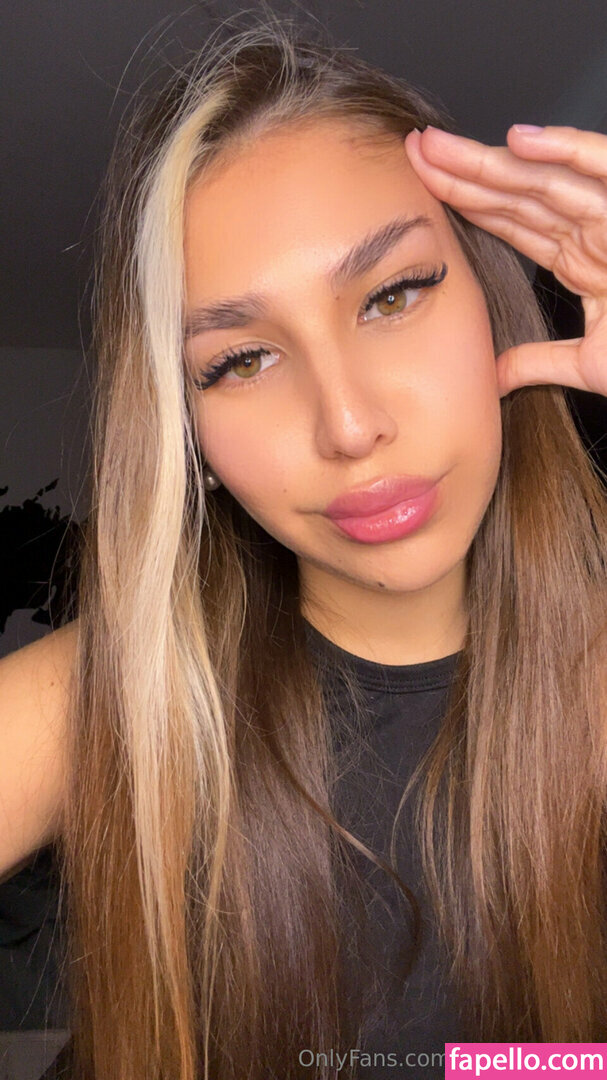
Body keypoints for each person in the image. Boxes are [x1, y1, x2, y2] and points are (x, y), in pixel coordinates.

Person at [2, 6, 607, 1079]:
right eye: (240, 361)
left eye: (392, 295)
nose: (349, 425)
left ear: (493, 301)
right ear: (185, 435)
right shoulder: (117, 694)